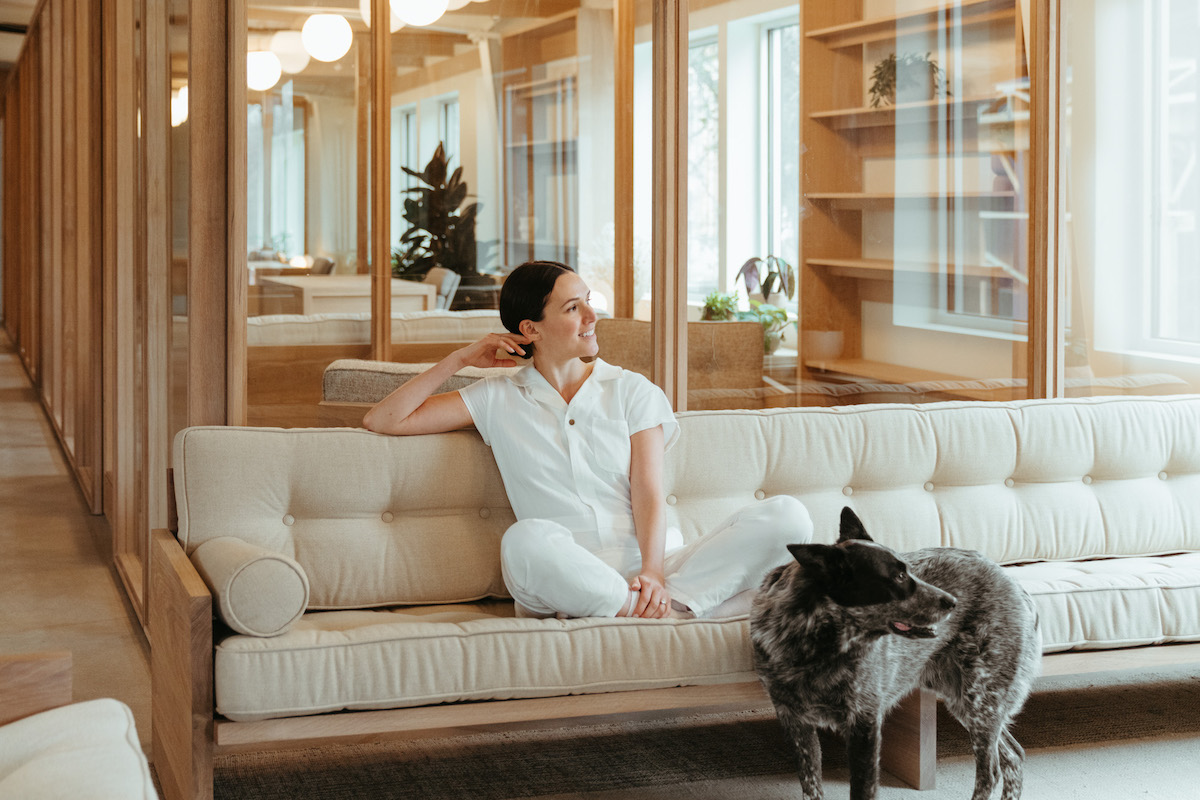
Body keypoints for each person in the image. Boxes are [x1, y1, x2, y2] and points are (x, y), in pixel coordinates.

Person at [364, 260, 812, 619]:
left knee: (789, 517)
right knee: (524, 541)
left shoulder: (632, 389)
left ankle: (658, 605)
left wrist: (654, 572)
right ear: (530, 330)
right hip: (567, 570)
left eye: (588, 302)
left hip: (659, 566)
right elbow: (384, 419)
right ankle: (677, 609)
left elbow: (649, 491)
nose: (592, 317)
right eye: (573, 308)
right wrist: (462, 358)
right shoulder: (495, 397)